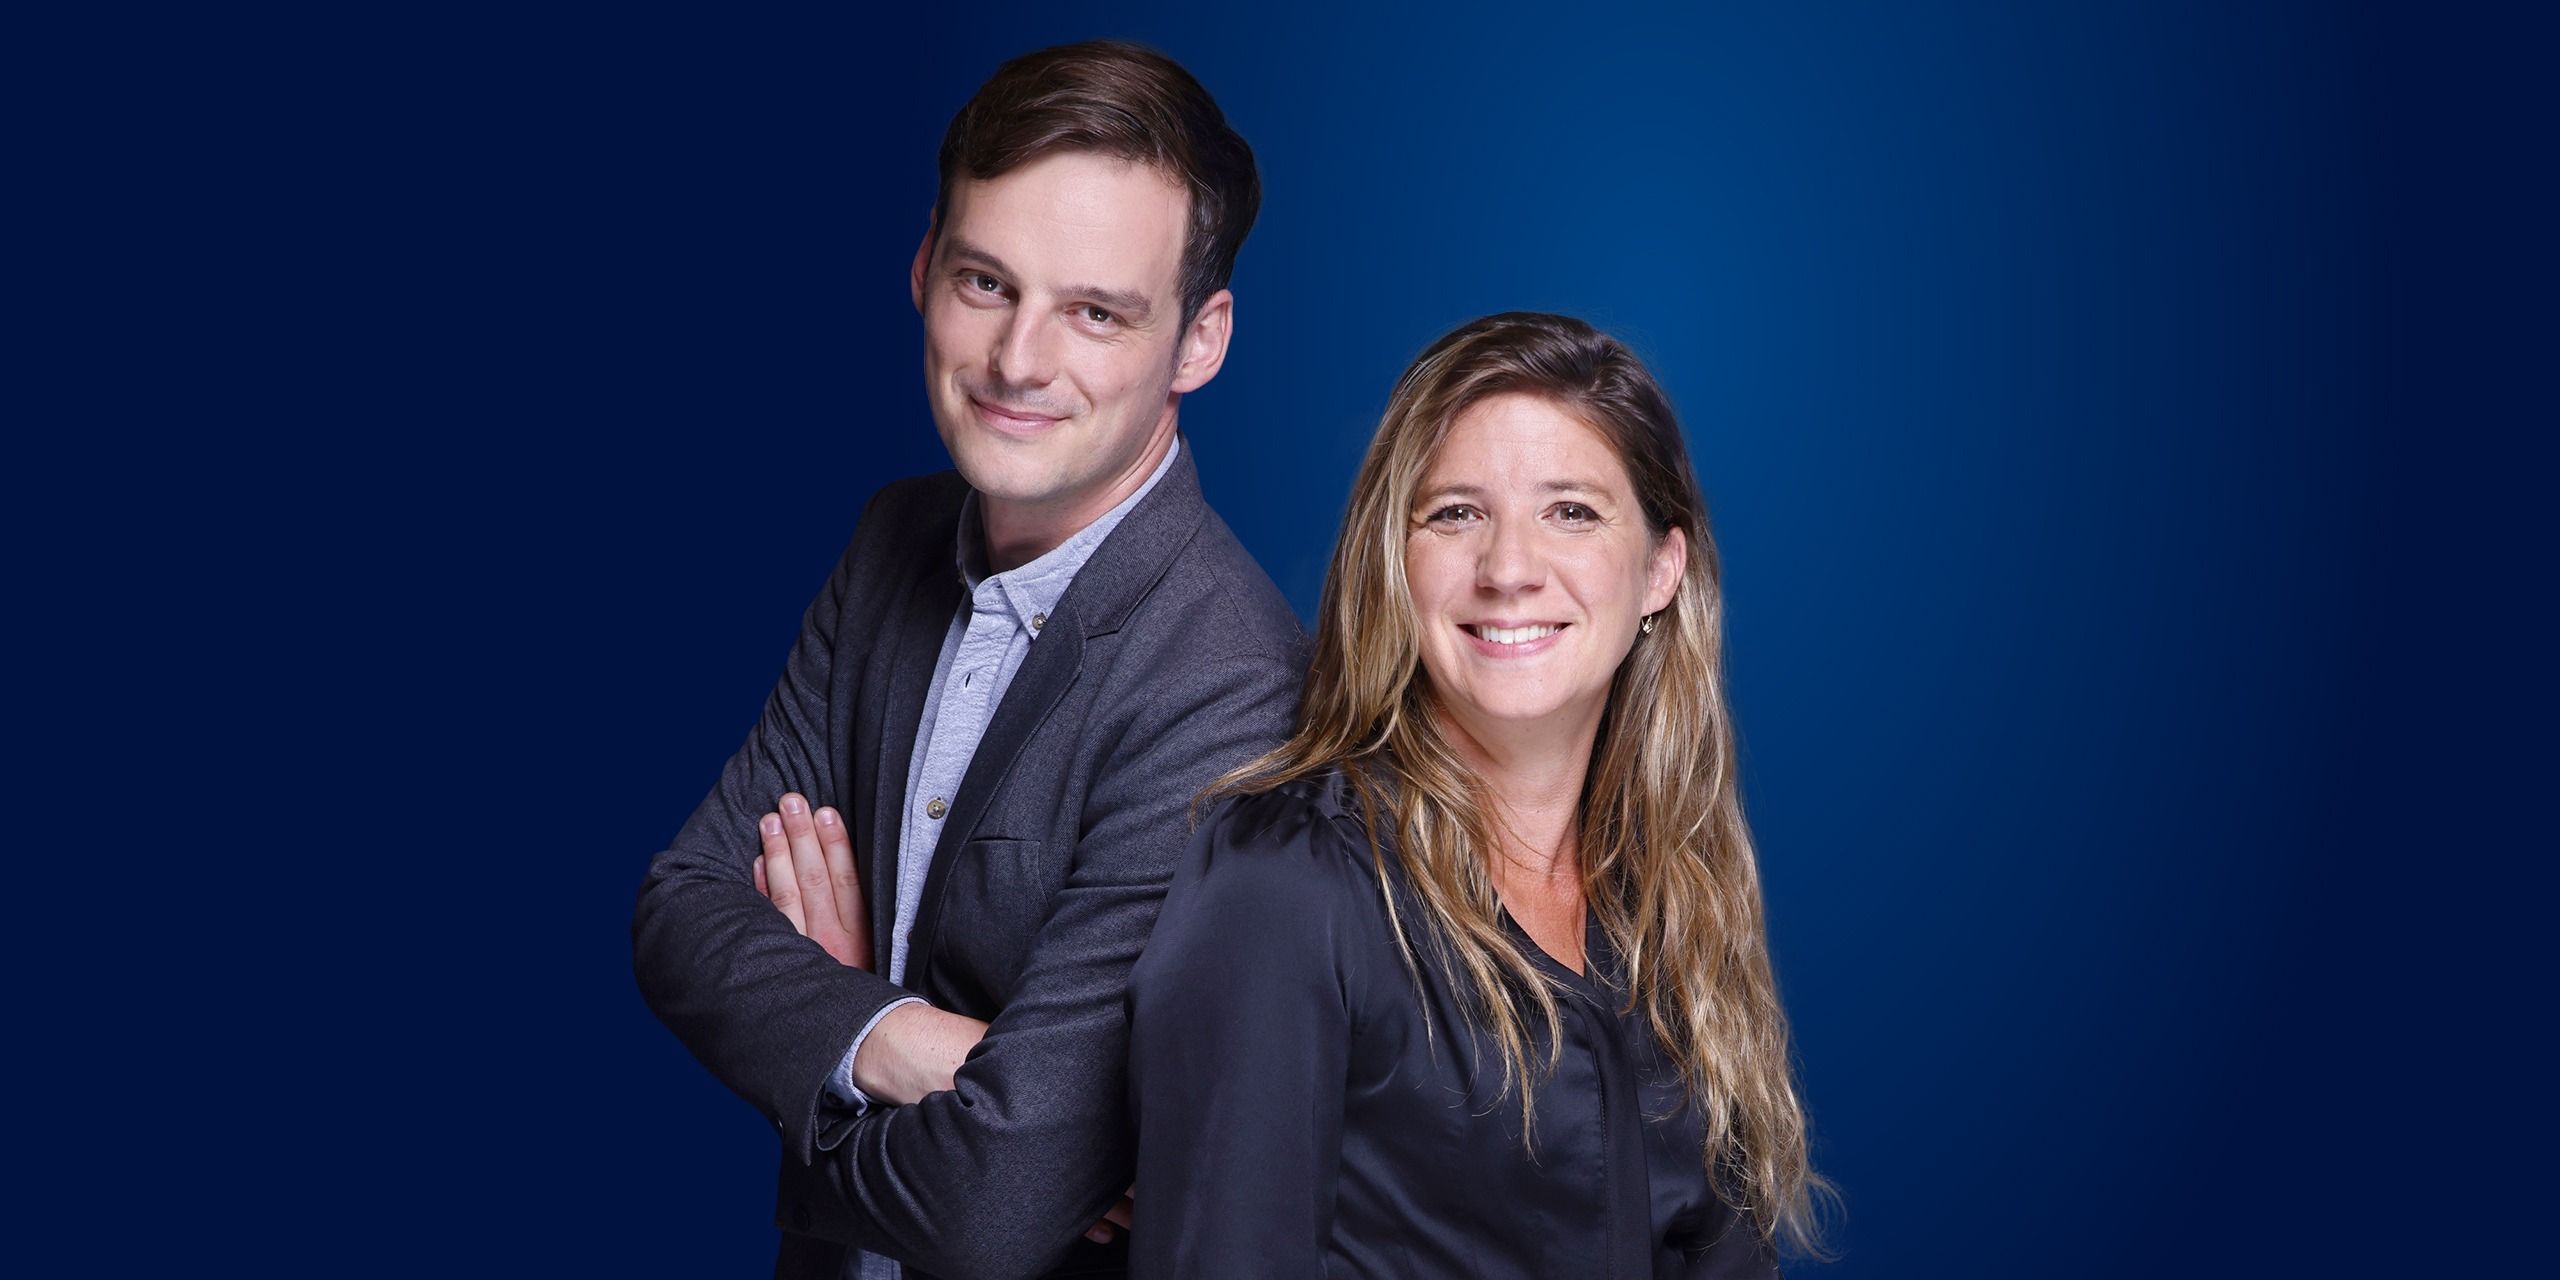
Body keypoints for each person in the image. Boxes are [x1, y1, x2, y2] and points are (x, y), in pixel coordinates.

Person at [631, 41, 1304, 1280]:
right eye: (986, 282)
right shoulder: (891, 538)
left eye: (1095, 312)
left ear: (1198, 341)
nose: (1017, 360)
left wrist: (817, 1042)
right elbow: (680, 909)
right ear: (923, 268)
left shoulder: (1232, 679)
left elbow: (999, 1200)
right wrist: (897, 1032)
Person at [1127, 312, 1830, 1277]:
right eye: (1456, 513)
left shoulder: (1671, 907)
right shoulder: (1287, 885)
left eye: (1570, 512)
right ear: (1395, 558)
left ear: (1661, 570)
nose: (1507, 570)